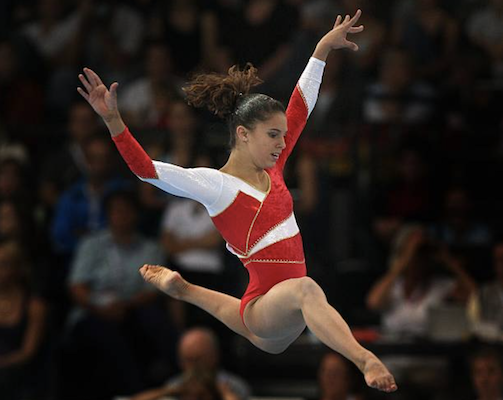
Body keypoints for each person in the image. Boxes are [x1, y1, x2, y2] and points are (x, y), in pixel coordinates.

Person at [77, 10, 397, 393]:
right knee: (307, 288)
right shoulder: (217, 186)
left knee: (297, 294)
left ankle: (184, 289)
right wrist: (113, 120)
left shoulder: (274, 167)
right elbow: (147, 171)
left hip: (273, 321)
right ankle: (365, 359)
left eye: (283, 135)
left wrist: (322, 48)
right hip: (268, 309)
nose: (283, 143)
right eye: (273, 135)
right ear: (243, 134)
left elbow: (301, 104)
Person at [131, 327, 250, 400]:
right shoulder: (177, 384)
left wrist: (224, 392)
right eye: (188, 360)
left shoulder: (232, 385)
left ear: (214, 356)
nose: (193, 367)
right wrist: (169, 391)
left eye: (198, 359)